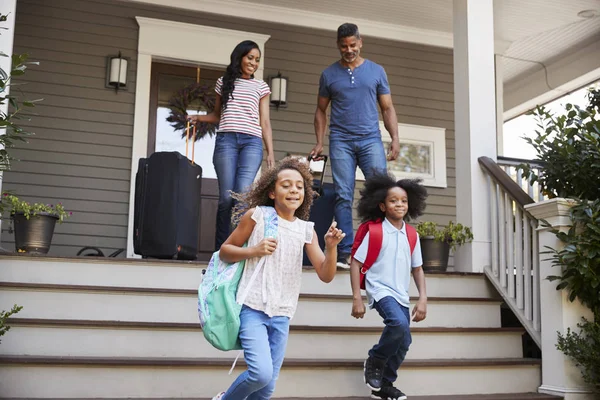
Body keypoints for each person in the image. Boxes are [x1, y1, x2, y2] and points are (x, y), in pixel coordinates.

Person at [211, 157, 345, 400]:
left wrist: (331, 247)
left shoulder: (306, 230)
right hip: (252, 307)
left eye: (299, 186)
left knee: (267, 389)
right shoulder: (257, 216)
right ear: (271, 192)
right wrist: (253, 250)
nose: (293, 190)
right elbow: (225, 251)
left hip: (282, 313)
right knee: (260, 374)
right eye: (286, 185)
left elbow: (326, 275)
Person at [310, 22, 401, 269]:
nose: (349, 50)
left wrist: (394, 137)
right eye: (344, 46)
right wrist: (320, 142)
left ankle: (382, 247)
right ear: (338, 46)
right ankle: (346, 252)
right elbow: (320, 110)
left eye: (353, 45)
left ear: (360, 42)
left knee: (381, 192)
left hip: (371, 138)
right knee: (342, 194)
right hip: (340, 140)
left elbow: (387, 107)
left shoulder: (376, 71)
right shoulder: (329, 74)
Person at [188, 40, 275, 250]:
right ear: (240, 57)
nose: (253, 63)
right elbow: (217, 115)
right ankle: (221, 251)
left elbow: (264, 121)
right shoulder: (223, 82)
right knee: (226, 199)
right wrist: (199, 119)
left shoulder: (261, 86)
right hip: (226, 141)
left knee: (241, 198)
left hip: (252, 144)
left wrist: (270, 152)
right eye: (250, 58)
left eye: (257, 60)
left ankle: (240, 247)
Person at [350, 171, 428, 400]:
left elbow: (418, 269)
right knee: (397, 324)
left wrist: (422, 298)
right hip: (380, 289)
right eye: (393, 200)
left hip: (401, 294)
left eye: (404, 201)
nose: (399, 204)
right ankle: (375, 359)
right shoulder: (375, 231)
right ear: (382, 206)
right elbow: (356, 263)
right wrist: (357, 297)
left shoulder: (411, 235)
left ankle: (384, 385)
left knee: (404, 341)